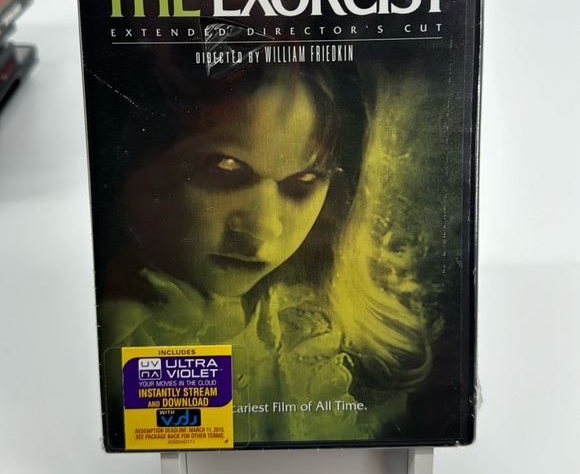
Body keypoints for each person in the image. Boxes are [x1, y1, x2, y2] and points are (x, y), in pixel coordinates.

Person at [100, 55, 433, 445]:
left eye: (303, 181)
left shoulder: (325, 322)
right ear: (150, 165)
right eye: (226, 167)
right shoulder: (131, 343)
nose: (264, 229)